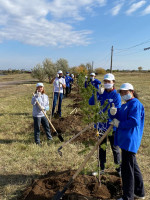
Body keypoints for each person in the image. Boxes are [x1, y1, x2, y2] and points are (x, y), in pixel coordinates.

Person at [109, 83, 145, 200]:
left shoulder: (135, 104)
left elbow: (134, 121)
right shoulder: (126, 105)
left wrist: (119, 124)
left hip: (130, 141)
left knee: (127, 170)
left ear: (132, 91)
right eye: (122, 92)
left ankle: (128, 197)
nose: (123, 94)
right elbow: (116, 116)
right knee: (133, 166)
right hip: (125, 141)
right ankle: (139, 192)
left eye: (125, 92)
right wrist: (112, 112)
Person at [90, 73, 121, 175]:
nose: (107, 83)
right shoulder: (101, 93)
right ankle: (101, 169)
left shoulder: (116, 95)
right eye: (105, 81)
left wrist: (112, 113)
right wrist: (97, 93)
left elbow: (118, 109)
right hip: (102, 125)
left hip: (112, 126)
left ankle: (119, 169)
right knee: (101, 147)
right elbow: (91, 103)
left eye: (109, 81)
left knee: (115, 148)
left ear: (113, 82)